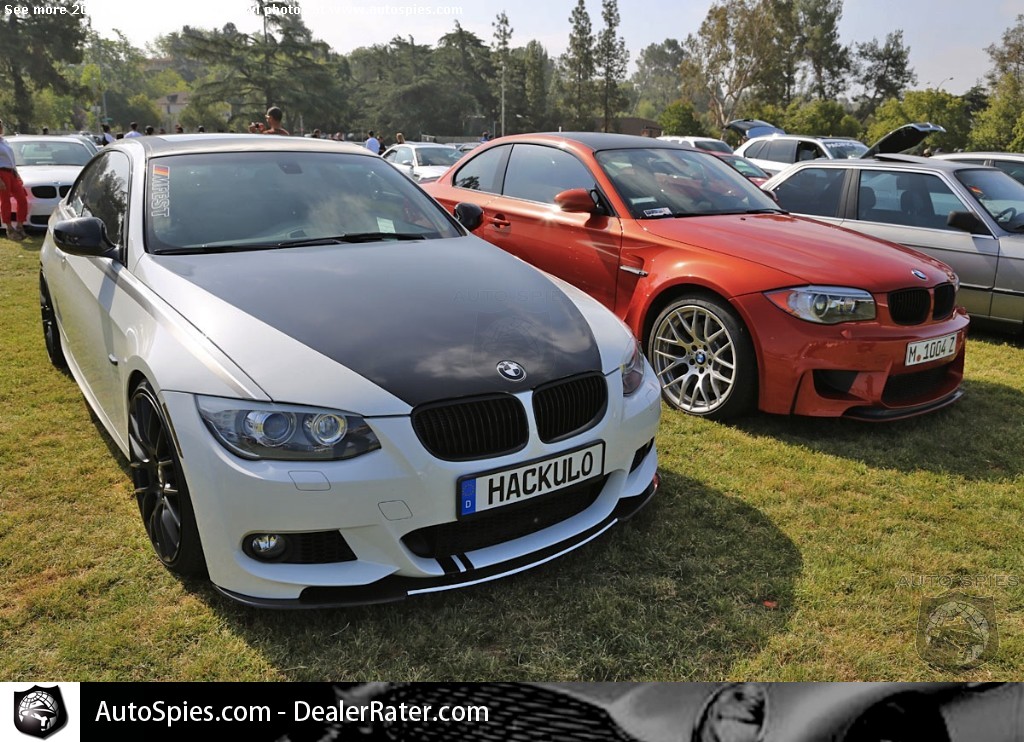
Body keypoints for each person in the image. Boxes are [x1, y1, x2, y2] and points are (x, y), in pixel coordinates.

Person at [0, 117, 29, 241]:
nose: (1, 128)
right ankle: (9, 228)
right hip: (1, 173)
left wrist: (16, 173)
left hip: (11, 172)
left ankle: (20, 226)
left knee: (22, 199)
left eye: (1, 125)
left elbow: (11, 159)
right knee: (5, 201)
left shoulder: (4, 141)